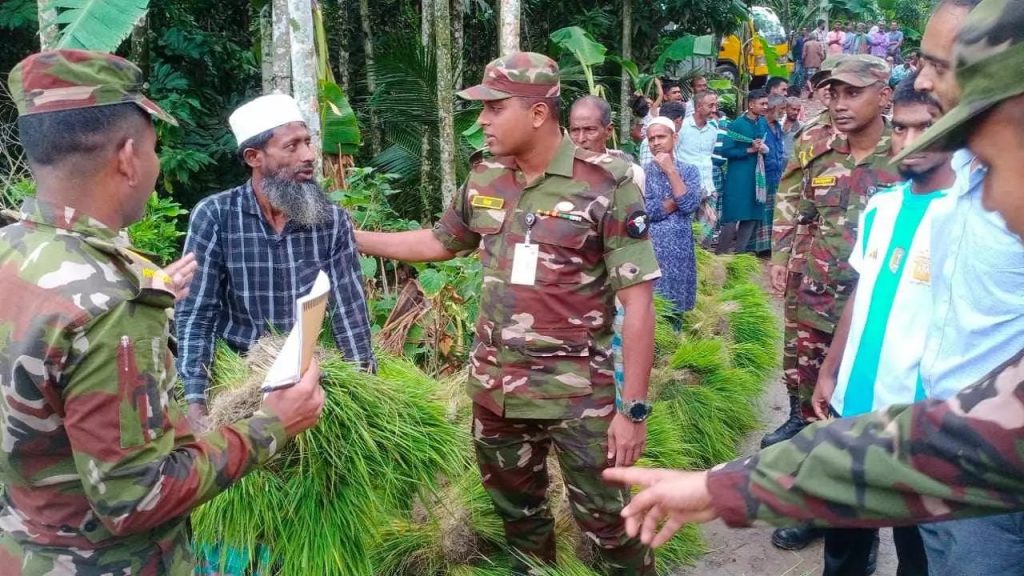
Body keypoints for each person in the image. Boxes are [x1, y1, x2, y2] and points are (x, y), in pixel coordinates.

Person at [602, 0, 1024, 546]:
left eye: (985, 164)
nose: (980, 197)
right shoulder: (867, 186)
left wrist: (725, 488)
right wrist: (726, 487)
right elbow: (958, 438)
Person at [0, 49, 325, 575]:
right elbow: (134, 498)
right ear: (128, 157)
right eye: (154, 148)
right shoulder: (113, 303)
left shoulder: (16, 251)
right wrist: (273, 425)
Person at [356, 52, 660, 575]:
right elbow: (439, 241)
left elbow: (638, 302)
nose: (482, 121)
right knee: (519, 523)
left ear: (538, 113)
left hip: (577, 398)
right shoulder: (485, 178)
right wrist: (351, 237)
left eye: (495, 109)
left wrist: (632, 411)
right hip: (496, 392)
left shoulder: (605, 184)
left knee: (612, 529)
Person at [808, 73, 951, 576]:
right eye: (902, 129)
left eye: (927, 128)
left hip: (919, 419)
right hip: (856, 404)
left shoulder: (967, 218)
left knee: (918, 551)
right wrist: (830, 369)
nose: (910, 142)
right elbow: (861, 293)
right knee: (844, 540)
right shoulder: (881, 207)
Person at [175, 94, 375, 428]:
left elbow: (349, 311)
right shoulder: (216, 216)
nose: (309, 155)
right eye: (292, 146)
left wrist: (364, 387)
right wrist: (196, 402)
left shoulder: (331, 220)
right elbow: (197, 312)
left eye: (308, 142)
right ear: (254, 157)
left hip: (309, 372)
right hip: (240, 371)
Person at [907, 0, 1024, 572]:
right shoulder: (967, 170)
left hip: (996, 468)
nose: (920, 81)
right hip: (944, 432)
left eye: (940, 65)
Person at [642, 119, 702, 317]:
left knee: (675, 306)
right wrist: (676, 199)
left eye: (661, 137)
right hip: (652, 247)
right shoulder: (642, 174)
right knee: (653, 305)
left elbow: (689, 205)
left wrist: (670, 171)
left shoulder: (690, 170)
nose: (656, 143)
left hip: (679, 248)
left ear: (674, 138)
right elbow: (646, 212)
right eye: (652, 139)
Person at [717, 90, 769, 254]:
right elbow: (725, 151)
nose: (765, 107)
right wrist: (749, 150)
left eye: (766, 104)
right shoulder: (737, 125)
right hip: (738, 177)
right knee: (732, 216)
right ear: (751, 104)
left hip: (757, 176)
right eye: (762, 104)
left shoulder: (762, 123)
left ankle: (739, 256)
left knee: (752, 216)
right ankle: (720, 255)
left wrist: (764, 149)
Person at [570, 95, 645, 190]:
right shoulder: (558, 175)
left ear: (608, 131)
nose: (581, 139)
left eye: (590, 130)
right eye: (575, 130)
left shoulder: (630, 175)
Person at [746, 94, 788, 255]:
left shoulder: (777, 126)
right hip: (762, 173)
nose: (783, 112)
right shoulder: (760, 125)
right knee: (760, 210)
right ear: (772, 109)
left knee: (772, 211)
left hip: (775, 173)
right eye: (781, 109)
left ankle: (767, 245)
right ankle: (755, 246)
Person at [676, 91, 721, 239]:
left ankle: (703, 260)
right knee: (687, 231)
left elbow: (708, 156)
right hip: (688, 188)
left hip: (708, 188)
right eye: (711, 105)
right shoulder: (682, 128)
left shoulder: (713, 129)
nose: (714, 109)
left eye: (715, 105)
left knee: (706, 233)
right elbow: (674, 155)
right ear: (699, 107)